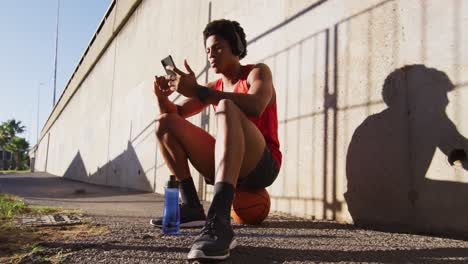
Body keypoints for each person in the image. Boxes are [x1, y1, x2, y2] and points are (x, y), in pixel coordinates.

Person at [150, 19, 282, 260]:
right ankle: (191, 206)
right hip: (228, 164)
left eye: (218, 47)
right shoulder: (214, 86)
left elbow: (256, 106)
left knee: (226, 107)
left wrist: (200, 91)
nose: (211, 54)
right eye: (208, 50)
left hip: (262, 165)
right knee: (164, 123)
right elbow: (175, 115)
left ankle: (219, 221)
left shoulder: (257, 72)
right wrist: (161, 97)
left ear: (237, 46)